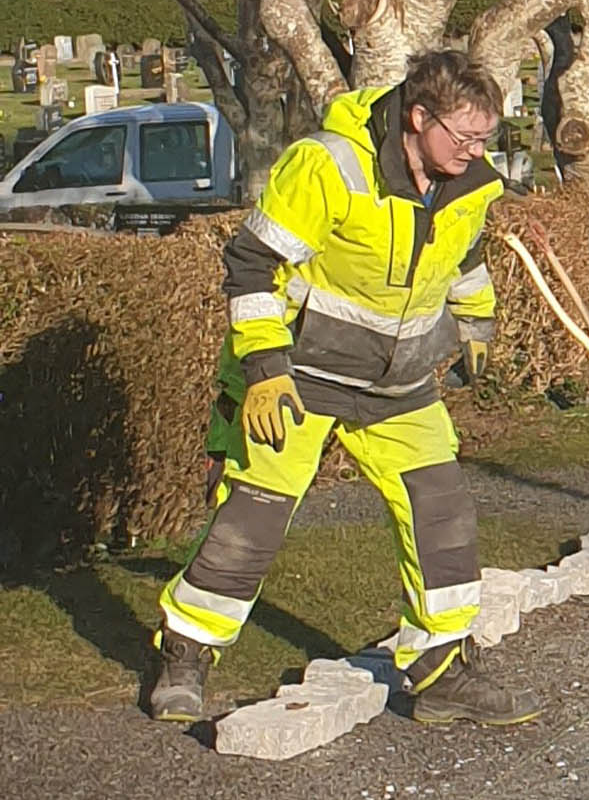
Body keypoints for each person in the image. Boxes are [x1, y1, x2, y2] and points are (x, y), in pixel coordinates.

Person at [147, 50, 531, 726]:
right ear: (418, 117)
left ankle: (442, 669)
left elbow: (462, 254)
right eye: (464, 136)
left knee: (443, 515)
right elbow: (252, 264)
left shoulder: (468, 180)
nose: (476, 152)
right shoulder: (328, 164)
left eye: (485, 138)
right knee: (254, 518)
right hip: (302, 375)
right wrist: (265, 370)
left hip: (399, 383)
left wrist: (476, 322)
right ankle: (186, 651)